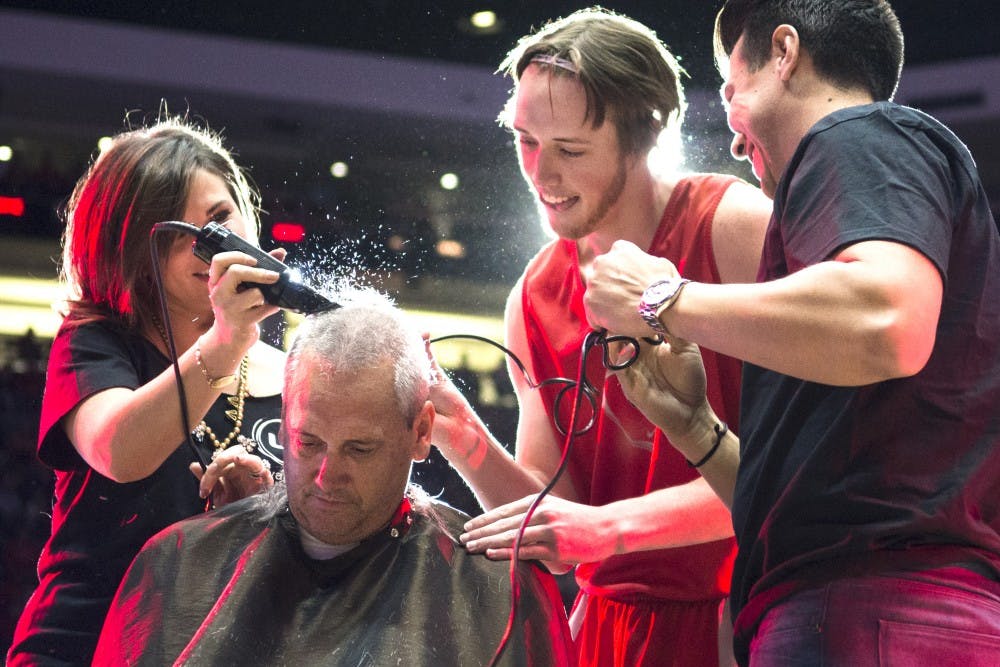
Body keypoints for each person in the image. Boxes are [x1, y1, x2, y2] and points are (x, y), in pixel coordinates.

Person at [584, 1, 1000, 664]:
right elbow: (811, 507)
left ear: (785, 53)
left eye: (730, 85)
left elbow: (886, 322)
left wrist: (663, 297)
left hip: (872, 612)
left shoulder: (857, 134)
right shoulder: (859, 187)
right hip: (875, 612)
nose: (729, 134)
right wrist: (695, 426)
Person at [427, 8, 773, 666]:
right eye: (526, 141)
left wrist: (602, 530)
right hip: (604, 629)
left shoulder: (733, 226)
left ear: (645, 135)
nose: (540, 172)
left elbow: (790, 473)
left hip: (744, 613)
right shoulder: (531, 294)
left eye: (570, 149)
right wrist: (461, 434)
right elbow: (557, 514)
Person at [91, 294, 574, 666]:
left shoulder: (497, 595)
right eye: (308, 442)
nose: (326, 476)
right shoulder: (179, 562)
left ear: (421, 432)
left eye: (359, 449)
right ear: (283, 420)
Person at [8, 117, 287, 665]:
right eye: (175, 235)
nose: (203, 247)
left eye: (218, 220)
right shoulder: (94, 344)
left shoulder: (300, 374)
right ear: (128, 253)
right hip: (83, 648)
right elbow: (122, 450)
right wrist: (228, 340)